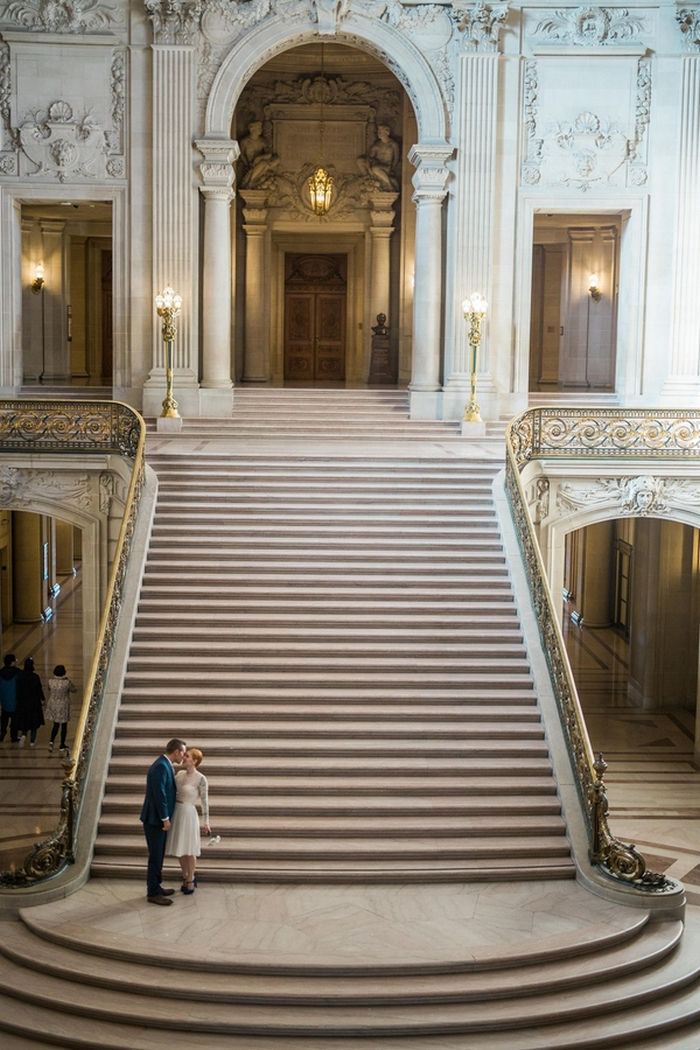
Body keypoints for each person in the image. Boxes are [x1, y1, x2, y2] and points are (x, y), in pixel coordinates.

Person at [140, 737, 187, 905]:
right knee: (155, 855)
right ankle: (153, 892)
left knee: (158, 855)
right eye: (183, 752)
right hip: (154, 819)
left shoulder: (164, 764)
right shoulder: (161, 766)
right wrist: (165, 819)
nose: (183, 756)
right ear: (176, 751)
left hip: (156, 818)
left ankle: (156, 886)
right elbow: (159, 794)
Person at [165, 748, 211, 895]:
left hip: (188, 812)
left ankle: (191, 878)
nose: (184, 758)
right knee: (180, 847)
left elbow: (204, 801)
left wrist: (206, 822)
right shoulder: (179, 774)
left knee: (190, 849)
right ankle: (184, 875)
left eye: (187, 756)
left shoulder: (201, 779)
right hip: (177, 811)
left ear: (195, 761)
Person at [357, 125, 400, 191]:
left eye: (381, 132)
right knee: (360, 161)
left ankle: (389, 185)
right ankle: (367, 177)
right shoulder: (377, 144)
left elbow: (396, 158)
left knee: (375, 168)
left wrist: (391, 169)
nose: (379, 133)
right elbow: (370, 158)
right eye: (378, 131)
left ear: (387, 133)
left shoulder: (393, 144)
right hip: (376, 164)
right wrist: (369, 169)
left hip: (386, 166)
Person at [45, 665, 77, 754]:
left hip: (53, 704)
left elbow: (49, 689)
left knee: (55, 724)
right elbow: (74, 690)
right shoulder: (67, 682)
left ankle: (51, 741)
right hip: (63, 704)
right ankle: (62, 744)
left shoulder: (50, 681)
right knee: (64, 725)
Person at [239, 121, 280, 189]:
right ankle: (251, 182)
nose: (261, 130)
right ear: (253, 130)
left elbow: (269, 154)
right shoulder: (245, 141)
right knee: (263, 163)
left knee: (276, 159)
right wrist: (247, 164)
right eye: (259, 128)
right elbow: (241, 155)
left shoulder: (263, 141)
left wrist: (260, 157)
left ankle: (255, 180)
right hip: (251, 164)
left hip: (261, 161)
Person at [15, 656, 45, 748]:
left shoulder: (20, 677)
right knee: (33, 722)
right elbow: (39, 689)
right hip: (34, 702)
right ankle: (32, 740)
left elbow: (18, 690)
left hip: (23, 702)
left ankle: (24, 735)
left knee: (25, 720)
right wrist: (42, 699)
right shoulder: (35, 677)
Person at [0, 653, 21, 743]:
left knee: (4, 717)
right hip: (15, 699)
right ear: (12, 662)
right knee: (15, 720)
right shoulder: (17, 673)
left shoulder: (1, 673)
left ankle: (2, 731)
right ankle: (14, 736)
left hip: (4, 699)